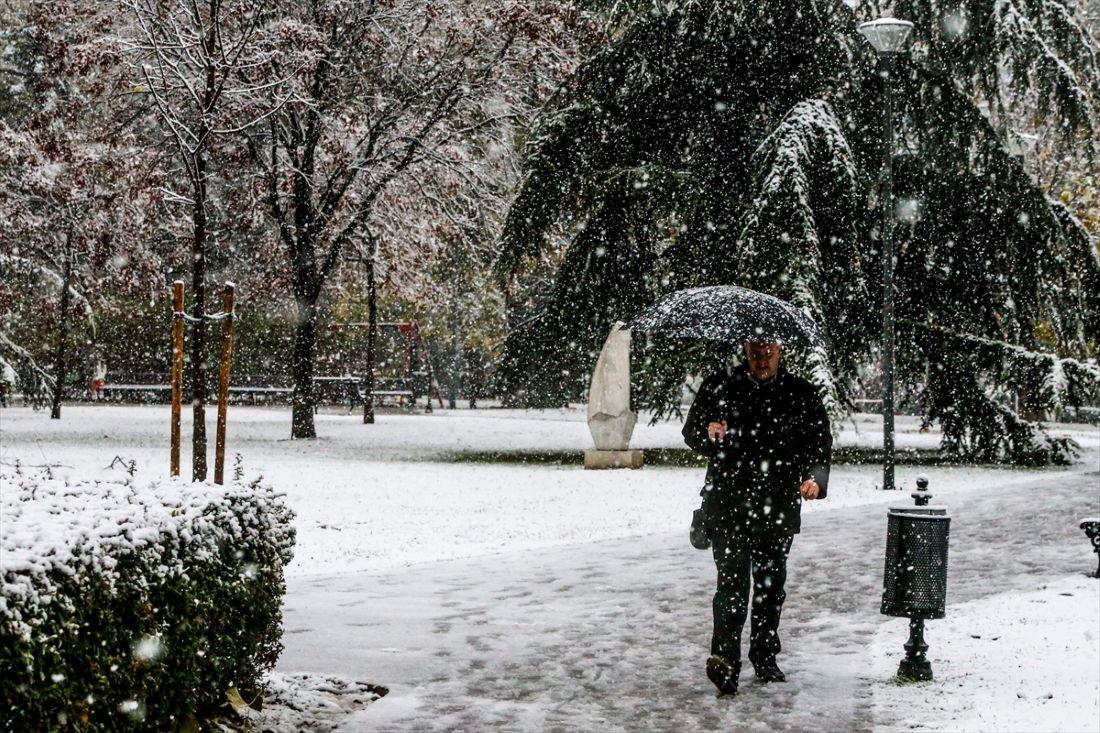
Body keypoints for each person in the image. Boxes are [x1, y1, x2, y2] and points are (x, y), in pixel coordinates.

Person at [683, 340, 832, 696]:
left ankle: (765, 657)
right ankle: (725, 662)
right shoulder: (720, 386)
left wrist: (815, 479)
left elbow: (819, 444)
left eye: (768, 351)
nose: (761, 358)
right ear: (745, 350)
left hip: (777, 508)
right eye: (754, 351)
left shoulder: (800, 393)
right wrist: (708, 432)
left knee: (769, 588)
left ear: (781, 351)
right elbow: (691, 432)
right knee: (731, 589)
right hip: (727, 506)